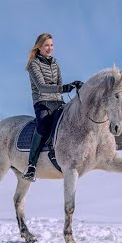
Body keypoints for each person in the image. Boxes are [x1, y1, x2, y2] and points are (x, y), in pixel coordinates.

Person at [23, 33, 83, 182]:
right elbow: (42, 87)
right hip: (42, 102)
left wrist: (73, 86)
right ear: (39, 47)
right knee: (43, 125)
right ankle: (31, 165)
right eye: (46, 45)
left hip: (57, 102)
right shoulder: (33, 64)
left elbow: (59, 85)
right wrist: (65, 88)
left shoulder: (55, 63)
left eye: (51, 45)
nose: (50, 48)